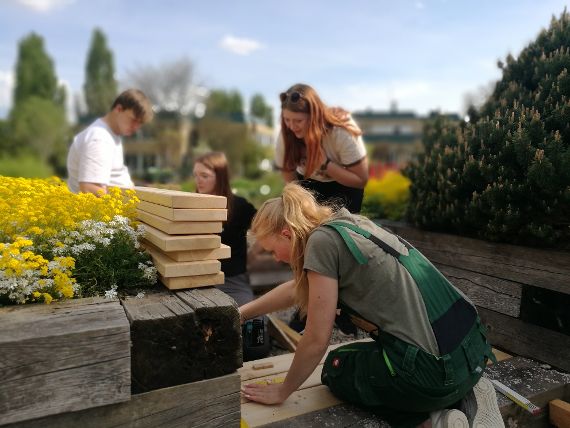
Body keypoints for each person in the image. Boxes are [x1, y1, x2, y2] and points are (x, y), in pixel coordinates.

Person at [240, 183, 505, 428]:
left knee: (336, 367)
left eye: (273, 250)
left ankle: (432, 419)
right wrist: (243, 313)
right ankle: (467, 394)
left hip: (436, 374)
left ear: (287, 234)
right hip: (471, 349)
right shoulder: (348, 223)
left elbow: (316, 340)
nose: (276, 259)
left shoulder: (320, 243)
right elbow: (299, 290)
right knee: (359, 353)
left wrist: (283, 390)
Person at [193, 152, 271, 361]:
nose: (198, 181)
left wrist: (254, 254)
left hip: (233, 281)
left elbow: (268, 229)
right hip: (195, 282)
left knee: (256, 344)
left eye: (204, 175)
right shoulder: (189, 205)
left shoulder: (239, 206)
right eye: (196, 175)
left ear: (220, 176)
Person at [275, 83, 368, 214]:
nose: (292, 126)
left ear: (314, 116)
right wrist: (301, 206)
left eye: (298, 121)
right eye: (287, 120)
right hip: (306, 185)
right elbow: (290, 180)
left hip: (344, 187)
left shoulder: (341, 131)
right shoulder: (286, 135)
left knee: (337, 232)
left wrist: (325, 164)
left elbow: (360, 181)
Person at [67, 88, 154, 195]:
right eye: (134, 119)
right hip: (102, 211)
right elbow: (89, 188)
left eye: (139, 123)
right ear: (119, 109)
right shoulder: (99, 138)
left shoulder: (110, 135)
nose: (136, 127)